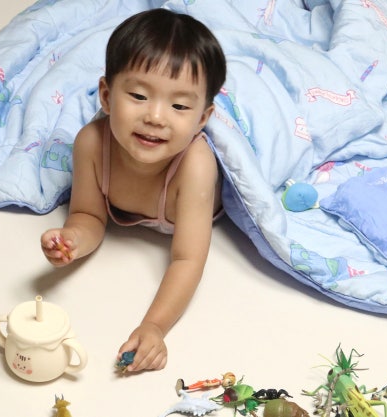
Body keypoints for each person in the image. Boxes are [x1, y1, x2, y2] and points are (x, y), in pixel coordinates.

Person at [40, 8, 227, 372]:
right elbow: (89, 215)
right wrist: (72, 240)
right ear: (107, 96)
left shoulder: (194, 166)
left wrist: (154, 325)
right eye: (139, 96)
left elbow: (188, 258)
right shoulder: (92, 144)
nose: (155, 117)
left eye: (179, 105)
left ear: (202, 119)